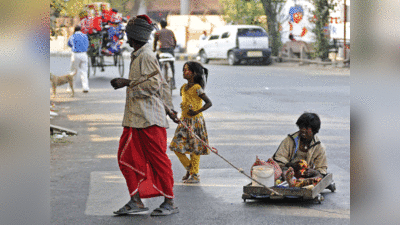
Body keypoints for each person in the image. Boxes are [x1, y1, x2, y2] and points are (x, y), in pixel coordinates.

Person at [110, 15, 180, 216]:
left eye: (128, 35)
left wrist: (127, 82)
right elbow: (163, 85)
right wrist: (170, 108)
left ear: (133, 37)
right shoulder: (140, 55)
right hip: (136, 119)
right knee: (126, 158)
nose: (127, 39)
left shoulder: (146, 56)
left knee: (159, 161)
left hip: (150, 120)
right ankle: (136, 201)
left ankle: (170, 201)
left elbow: (153, 86)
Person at [169, 61, 212, 183]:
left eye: (187, 70)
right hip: (184, 121)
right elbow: (185, 104)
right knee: (176, 147)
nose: (184, 72)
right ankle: (190, 168)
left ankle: (195, 174)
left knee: (194, 149)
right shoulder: (183, 88)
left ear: (194, 73)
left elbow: (209, 103)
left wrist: (197, 111)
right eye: (183, 70)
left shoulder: (197, 88)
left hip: (195, 121)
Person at [272, 112, 327, 182]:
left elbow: (322, 169)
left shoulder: (319, 146)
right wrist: (290, 165)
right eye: (301, 127)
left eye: (307, 128)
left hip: (307, 175)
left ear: (314, 130)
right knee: (282, 172)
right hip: (289, 170)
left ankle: (326, 184)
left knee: (318, 177)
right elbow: (279, 157)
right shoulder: (290, 140)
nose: (303, 130)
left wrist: (314, 172)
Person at [153, 19, 177, 89]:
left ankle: (158, 80)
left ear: (160, 25)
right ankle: (173, 82)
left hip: (162, 50)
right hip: (170, 50)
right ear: (166, 24)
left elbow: (155, 43)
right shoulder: (171, 32)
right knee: (172, 66)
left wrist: (154, 49)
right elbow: (175, 41)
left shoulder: (157, 32)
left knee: (158, 64)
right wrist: (173, 48)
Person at [67, 25, 90, 93]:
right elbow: (87, 44)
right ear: (80, 30)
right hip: (84, 54)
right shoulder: (85, 36)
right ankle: (85, 87)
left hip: (76, 54)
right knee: (84, 71)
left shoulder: (73, 36)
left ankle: (70, 88)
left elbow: (69, 44)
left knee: (73, 71)